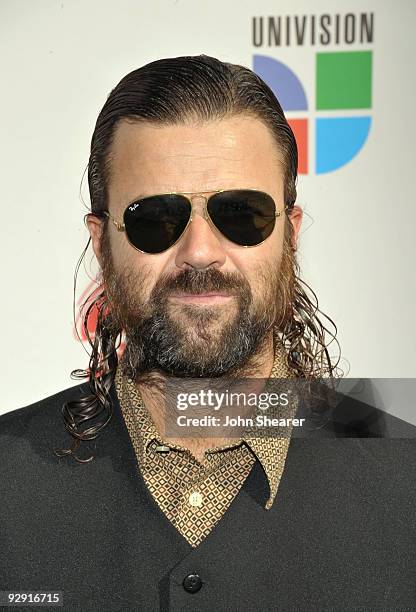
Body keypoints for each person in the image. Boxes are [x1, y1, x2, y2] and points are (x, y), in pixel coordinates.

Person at [1, 55, 415, 612]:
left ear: (290, 236)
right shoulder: (8, 479)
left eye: (242, 214)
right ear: (102, 244)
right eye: (155, 219)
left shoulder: (404, 477)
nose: (200, 251)